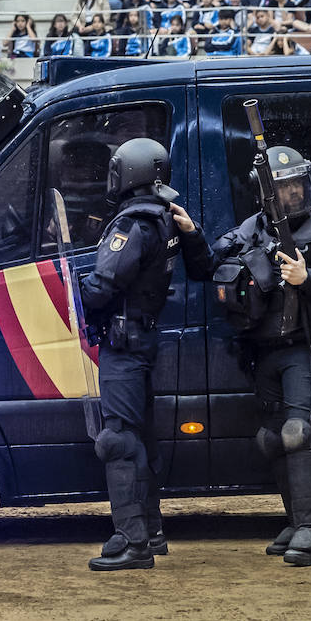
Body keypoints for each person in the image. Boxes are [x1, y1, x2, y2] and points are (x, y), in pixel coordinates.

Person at [175, 143, 311, 566]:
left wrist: (307, 276)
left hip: (304, 348)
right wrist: (191, 233)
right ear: (266, 193)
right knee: (272, 440)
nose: (293, 193)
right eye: (284, 187)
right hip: (262, 351)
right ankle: (299, 521)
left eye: (298, 184)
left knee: (300, 433)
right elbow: (207, 266)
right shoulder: (251, 229)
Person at [78, 137, 187, 572]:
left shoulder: (132, 224)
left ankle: (132, 540)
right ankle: (152, 531)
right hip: (143, 338)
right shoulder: (164, 218)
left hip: (123, 344)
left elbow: (104, 286)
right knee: (141, 440)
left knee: (117, 440)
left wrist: (75, 293)